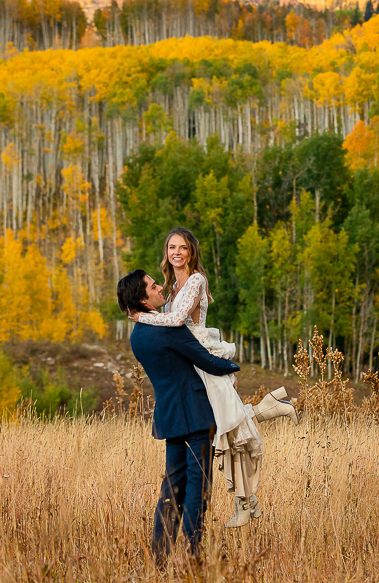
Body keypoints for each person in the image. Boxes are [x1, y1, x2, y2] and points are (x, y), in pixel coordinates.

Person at [130, 227, 296, 528]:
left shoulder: (195, 280)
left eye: (182, 247)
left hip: (200, 354)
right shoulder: (172, 286)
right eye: (171, 247)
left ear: (192, 252)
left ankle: (246, 501)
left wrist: (142, 316)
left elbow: (177, 321)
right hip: (189, 357)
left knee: (229, 427)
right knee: (228, 425)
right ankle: (272, 408)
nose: (176, 252)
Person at [118, 269, 238, 563]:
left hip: (170, 418)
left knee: (172, 488)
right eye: (153, 285)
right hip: (197, 416)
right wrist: (233, 367)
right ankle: (194, 553)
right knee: (199, 486)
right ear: (143, 299)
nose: (160, 288)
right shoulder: (168, 329)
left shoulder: (139, 337)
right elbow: (205, 359)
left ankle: (160, 556)